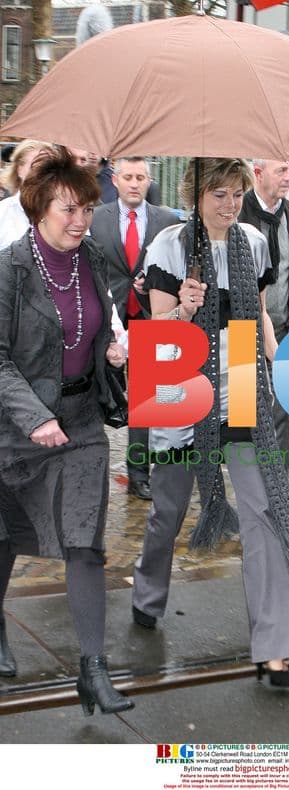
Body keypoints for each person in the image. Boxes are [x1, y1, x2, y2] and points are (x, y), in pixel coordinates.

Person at [131, 157, 289, 686]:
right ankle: (148, 592)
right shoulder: (168, 247)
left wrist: (284, 369)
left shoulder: (252, 241)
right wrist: (182, 308)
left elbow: (262, 319)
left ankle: (273, 649)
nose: (229, 205)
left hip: (244, 386)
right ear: (196, 195)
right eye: (219, 194)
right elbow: (156, 336)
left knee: (264, 512)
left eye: (235, 194)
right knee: (169, 509)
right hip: (178, 386)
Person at [0, 147, 134, 716]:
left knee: (86, 542)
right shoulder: (8, 269)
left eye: (86, 208)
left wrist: (114, 351)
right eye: (67, 209)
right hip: (13, 430)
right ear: (38, 208)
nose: (80, 220)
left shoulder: (95, 259)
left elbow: (100, 324)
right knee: (5, 540)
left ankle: (93, 668)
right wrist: (36, 418)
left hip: (80, 424)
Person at [90, 156, 178, 500]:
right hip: (105, 320)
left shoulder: (167, 220)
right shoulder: (95, 219)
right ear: (114, 179)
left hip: (148, 317)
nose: (134, 183)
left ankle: (139, 474)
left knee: (144, 400)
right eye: (128, 176)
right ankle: (87, 466)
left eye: (140, 177)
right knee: (95, 394)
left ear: (149, 180)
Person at [239, 159, 289, 488]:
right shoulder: (237, 210)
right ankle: (252, 492)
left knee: (286, 413)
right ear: (258, 174)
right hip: (242, 333)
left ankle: (284, 493)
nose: (288, 176)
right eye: (281, 170)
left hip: (284, 327)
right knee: (247, 415)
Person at [0, 140, 54, 249]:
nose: (42, 173)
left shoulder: (71, 212)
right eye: (35, 165)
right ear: (19, 169)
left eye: (48, 168)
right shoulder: (3, 213)